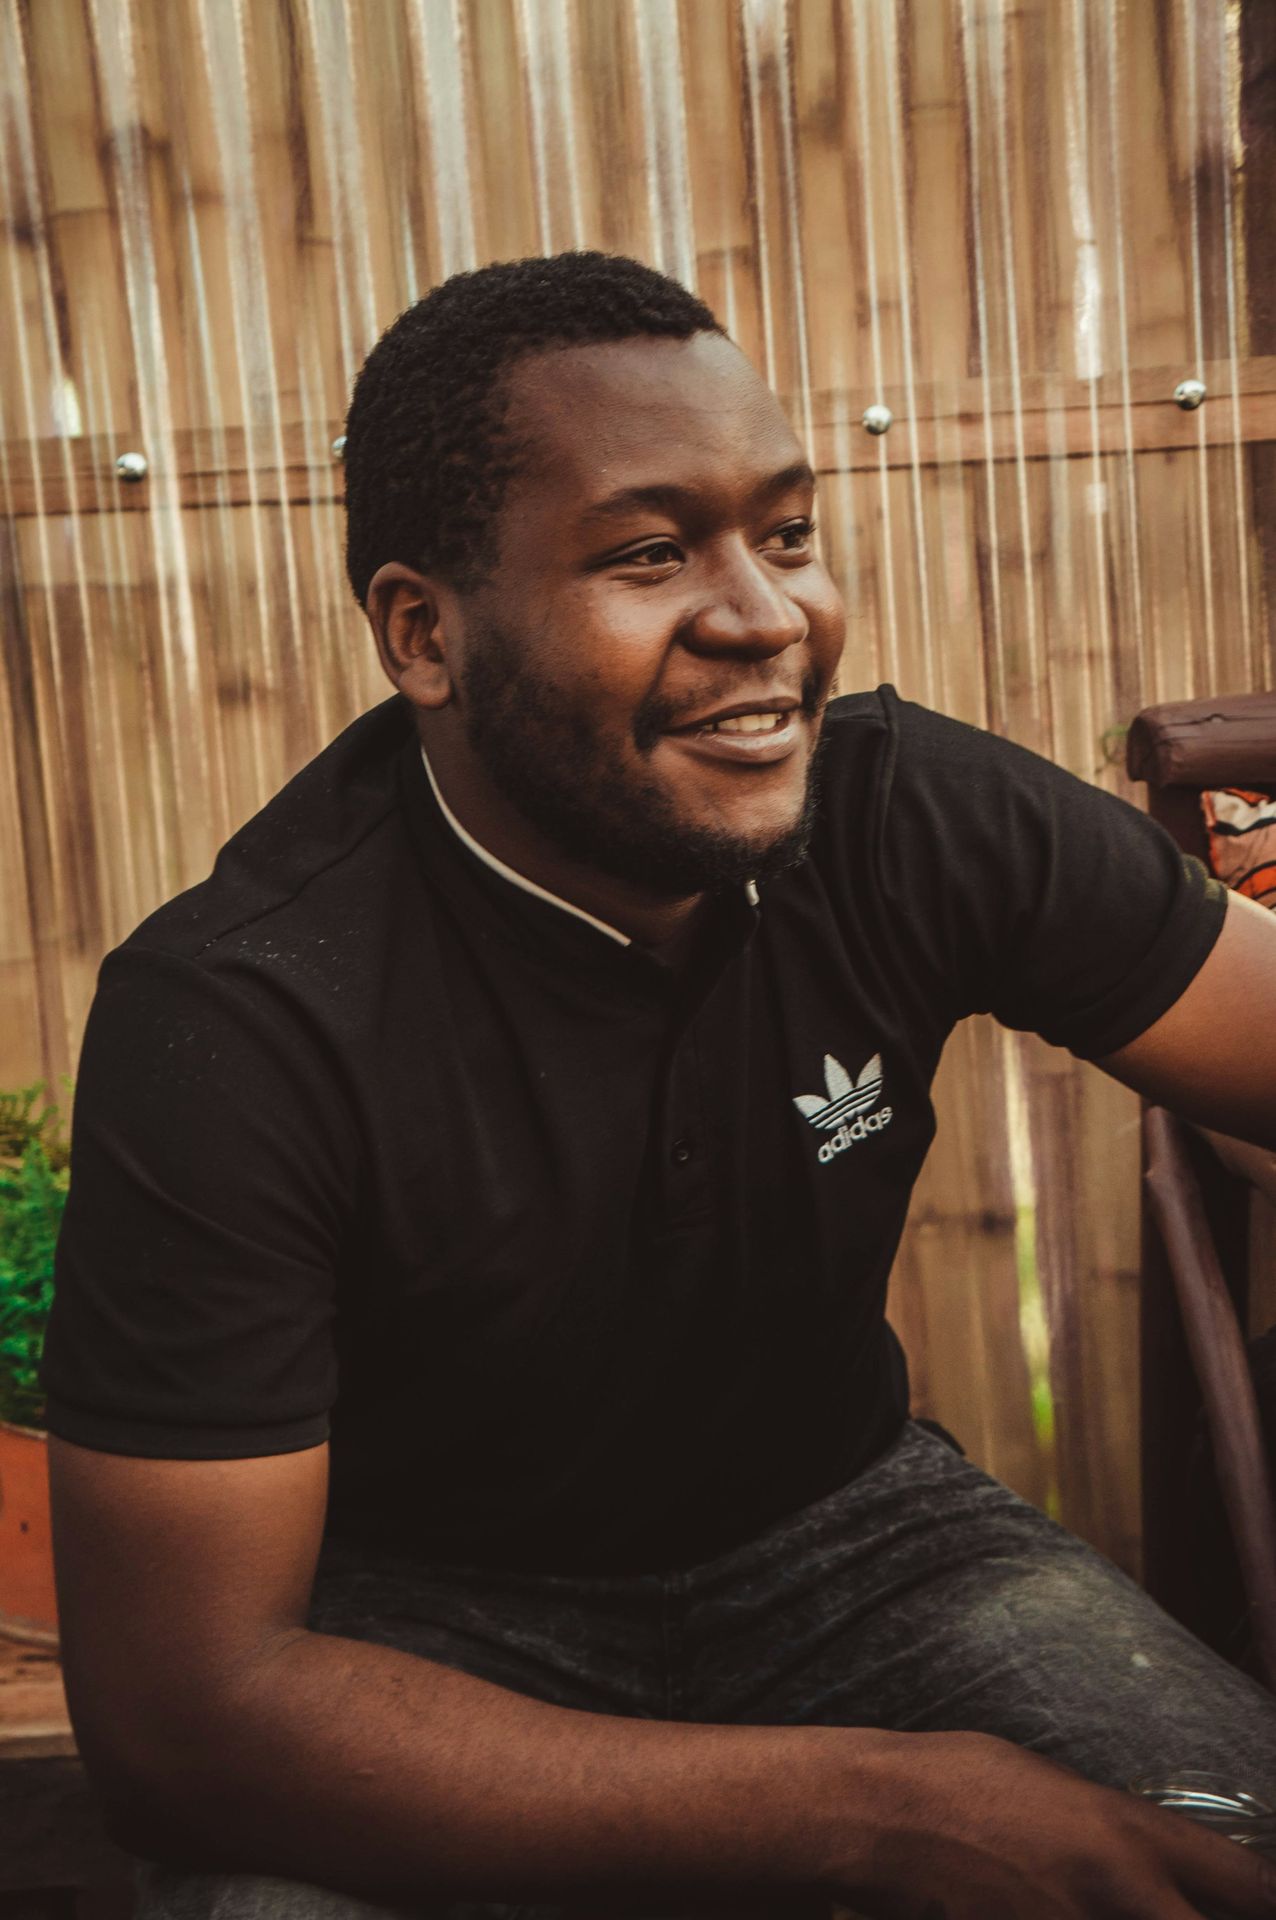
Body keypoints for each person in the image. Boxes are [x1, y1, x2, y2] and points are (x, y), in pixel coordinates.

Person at [41, 251, 1276, 1920]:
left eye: (785, 533)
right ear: (425, 630)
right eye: (647, 554)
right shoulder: (243, 1017)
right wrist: (877, 1810)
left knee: (1223, 1847)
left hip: (861, 1541)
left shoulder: (909, 816)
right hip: (417, 1631)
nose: (769, 618)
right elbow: (188, 1718)